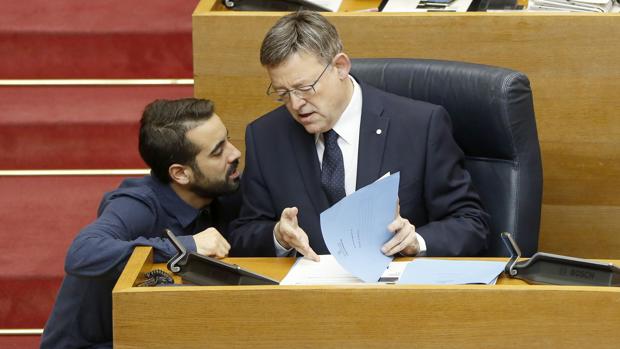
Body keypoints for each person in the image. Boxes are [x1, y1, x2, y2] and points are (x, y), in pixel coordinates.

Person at [228, 11, 490, 260]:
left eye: (305, 88)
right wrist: (278, 237)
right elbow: (244, 233)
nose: (295, 105)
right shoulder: (265, 136)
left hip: (398, 294)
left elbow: (470, 223)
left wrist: (416, 242)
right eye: (283, 93)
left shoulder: (420, 126)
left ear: (341, 67)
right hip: (307, 297)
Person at [40, 98, 242, 348]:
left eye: (228, 139)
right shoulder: (138, 204)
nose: (235, 153)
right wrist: (184, 247)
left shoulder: (218, 190)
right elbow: (82, 252)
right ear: (180, 173)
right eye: (218, 150)